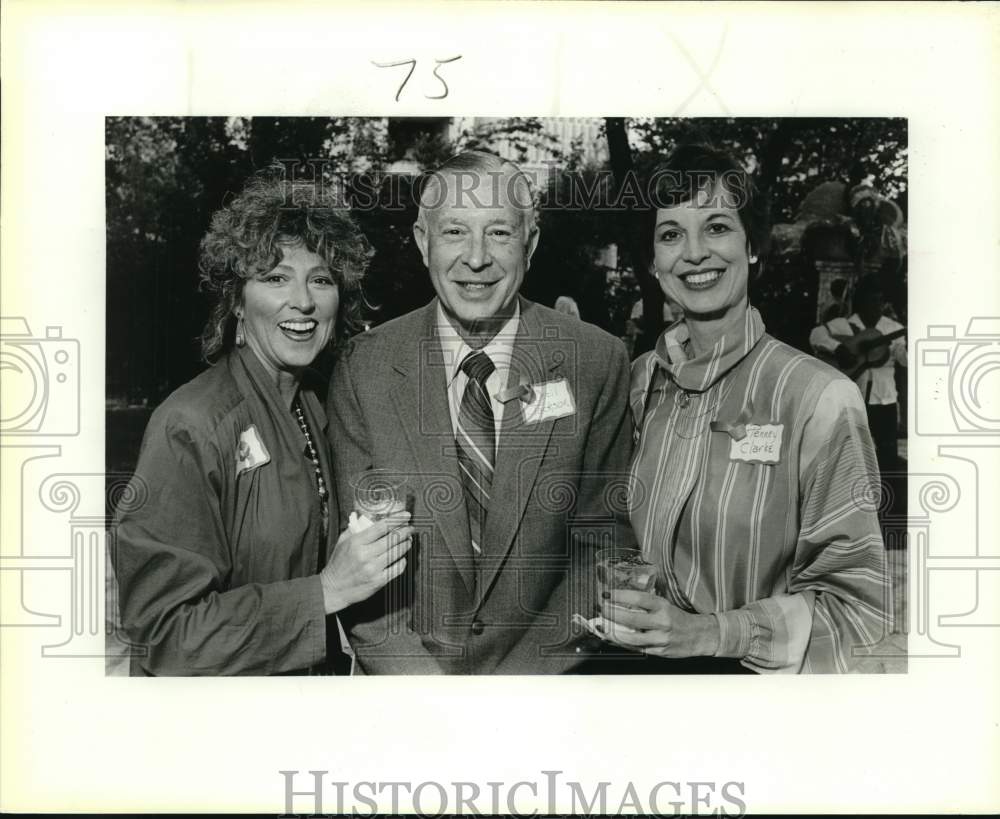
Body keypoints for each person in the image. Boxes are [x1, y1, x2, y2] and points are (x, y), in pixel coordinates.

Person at [327, 150, 635, 674]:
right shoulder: (364, 367)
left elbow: (600, 547)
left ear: (529, 244)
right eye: (454, 233)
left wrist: (517, 692)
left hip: (543, 686)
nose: (475, 258)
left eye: (498, 233)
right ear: (424, 242)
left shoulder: (595, 361)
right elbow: (359, 564)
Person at [589, 145, 890, 673]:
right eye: (671, 234)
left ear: (753, 246)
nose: (695, 252)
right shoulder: (638, 385)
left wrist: (708, 633)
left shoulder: (819, 397)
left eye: (718, 227)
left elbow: (856, 611)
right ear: (655, 263)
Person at [112, 169, 414, 675]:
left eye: (320, 279)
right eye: (275, 278)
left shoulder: (320, 403)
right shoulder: (190, 427)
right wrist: (326, 591)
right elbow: (166, 636)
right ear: (236, 300)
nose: (303, 300)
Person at [809, 274, 906, 474]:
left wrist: (913, 346)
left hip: (884, 400)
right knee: (850, 454)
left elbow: (906, 360)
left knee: (886, 459)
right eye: (871, 301)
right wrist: (837, 348)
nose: (876, 306)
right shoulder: (844, 325)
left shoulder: (893, 328)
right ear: (860, 302)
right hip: (853, 399)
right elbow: (815, 335)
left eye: (879, 301)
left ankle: (886, 500)